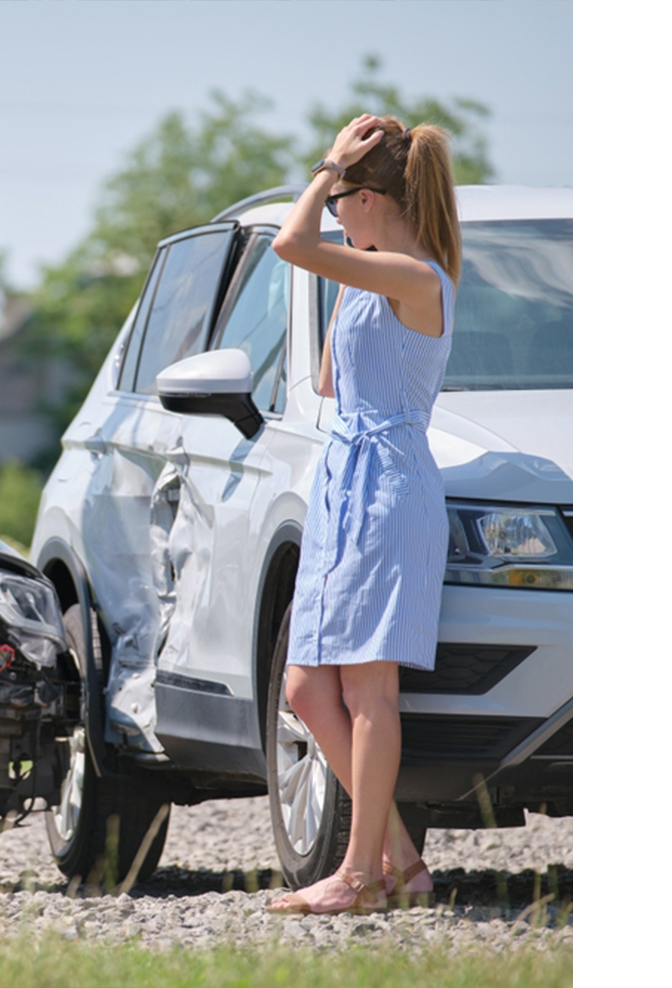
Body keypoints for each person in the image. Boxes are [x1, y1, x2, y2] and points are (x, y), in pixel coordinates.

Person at [266, 114, 461, 915]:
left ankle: (358, 875)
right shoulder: (375, 275)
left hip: (388, 489)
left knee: (369, 692)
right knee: (307, 689)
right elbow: (328, 381)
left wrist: (324, 167)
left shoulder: (421, 278)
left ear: (369, 197)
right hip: (345, 483)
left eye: (343, 197)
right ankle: (401, 862)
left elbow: (289, 245)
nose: (333, 209)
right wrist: (351, 263)